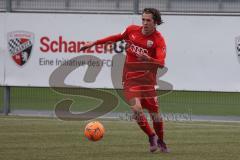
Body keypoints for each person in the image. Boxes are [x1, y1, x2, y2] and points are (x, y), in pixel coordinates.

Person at [80, 8, 169, 153]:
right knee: (136, 109)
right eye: (143, 19)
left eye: (148, 20)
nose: (145, 23)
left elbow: (161, 63)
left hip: (147, 83)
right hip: (130, 80)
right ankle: (151, 136)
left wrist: (149, 59)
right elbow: (115, 37)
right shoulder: (131, 30)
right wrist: (94, 43)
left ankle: (161, 141)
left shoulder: (158, 40)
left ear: (156, 22)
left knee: (156, 116)